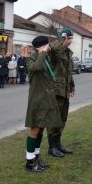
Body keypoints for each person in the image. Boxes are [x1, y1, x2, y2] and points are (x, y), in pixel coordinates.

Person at [24, 36, 62, 172]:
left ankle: (36, 158)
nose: (49, 48)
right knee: (34, 129)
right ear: (39, 47)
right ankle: (29, 162)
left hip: (46, 98)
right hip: (37, 100)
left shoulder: (44, 58)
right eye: (46, 46)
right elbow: (35, 68)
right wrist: (43, 52)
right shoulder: (31, 59)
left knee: (40, 129)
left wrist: (46, 52)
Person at [47, 28, 76, 157]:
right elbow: (52, 47)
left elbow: (69, 73)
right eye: (68, 38)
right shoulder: (53, 51)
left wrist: (72, 87)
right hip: (55, 90)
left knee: (63, 118)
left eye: (71, 39)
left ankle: (58, 144)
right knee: (54, 119)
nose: (70, 41)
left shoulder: (68, 53)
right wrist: (61, 38)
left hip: (64, 90)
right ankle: (52, 146)